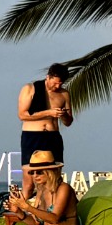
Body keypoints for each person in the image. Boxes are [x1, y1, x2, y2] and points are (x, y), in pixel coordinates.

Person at [18, 63, 73, 194]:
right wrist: (48, 113)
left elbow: (68, 122)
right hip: (33, 136)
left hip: (53, 137)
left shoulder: (64, 94)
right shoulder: (30, 88)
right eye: (55, 83)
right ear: (48, 77)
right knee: (29, 180)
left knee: (53, 178)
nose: (57, 86)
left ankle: (50, 208)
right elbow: (22, 115)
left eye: (60, 83)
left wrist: (63, 114)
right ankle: (21, 208)